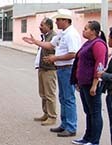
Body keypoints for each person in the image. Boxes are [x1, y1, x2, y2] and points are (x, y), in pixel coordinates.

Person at [23, 9, 81, 137]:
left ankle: (71, 126)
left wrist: (55, 58)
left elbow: (73, 54)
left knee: (68, 98)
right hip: (61, 69)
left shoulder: (71, 35)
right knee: (62, 98)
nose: (57, 22)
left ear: (65, 20)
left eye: (58, 20)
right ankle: (65, 124)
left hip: (67, 68)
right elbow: (50, 45)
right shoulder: (62, 34)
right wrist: (35, 42)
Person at [70, 21, 108, 145]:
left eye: (86, 29)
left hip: (92, 84)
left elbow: (100, 64)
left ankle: (94, 141)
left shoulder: (98, 44)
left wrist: (94, 84)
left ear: (93, 31)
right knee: (88, 111)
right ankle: (87, 136)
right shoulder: (88, 43)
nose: (83, 31)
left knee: (95, 112)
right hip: (84, 83)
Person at [24, 18, 57, 126]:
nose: (40, 27)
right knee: (43, 93)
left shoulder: (53, 37)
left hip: (49, 69)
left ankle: (52, 116)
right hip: (42, 68)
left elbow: (51, 48)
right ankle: (46, 113)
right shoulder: (45, 36)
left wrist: (36, 42)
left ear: (48, 26)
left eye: (42, 25)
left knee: (49, 94)